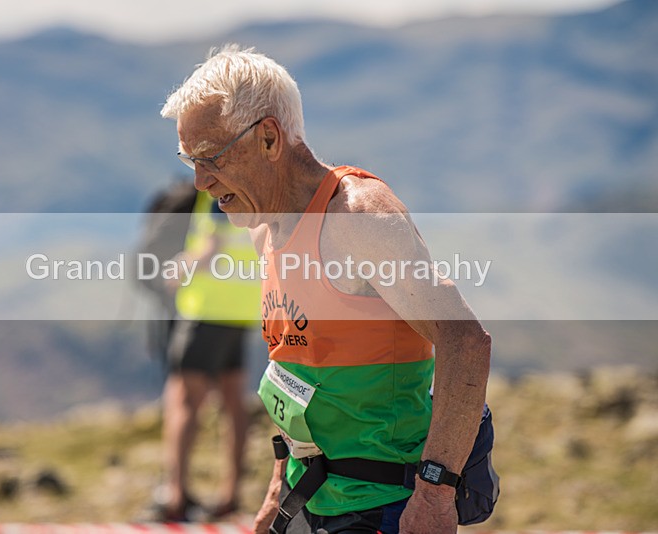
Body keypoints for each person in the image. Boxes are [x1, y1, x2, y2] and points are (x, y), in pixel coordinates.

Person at [159, 45, 492, 534]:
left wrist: (436, 493)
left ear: (269, 137)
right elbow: (293, 370)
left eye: (210, 158)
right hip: (307, 501)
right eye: (190, 160)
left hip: (386, 508)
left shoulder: (356, 217)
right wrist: (279, 487)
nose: (200, 181)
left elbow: (465, 340)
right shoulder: (262, 227)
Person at [137, 181, 261, 521]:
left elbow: (211, 246)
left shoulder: (216, 193)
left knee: (183, 397)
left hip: (206, 307)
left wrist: (177, 271)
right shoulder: (250, 189)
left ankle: (175, 496)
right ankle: (230, 494)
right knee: (234, 399)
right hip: (242, 305)